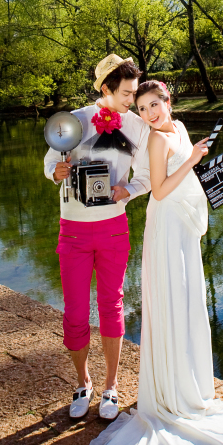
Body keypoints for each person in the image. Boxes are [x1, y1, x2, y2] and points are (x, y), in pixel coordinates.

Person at [62, 80, 223, 445]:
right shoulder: (155, 141)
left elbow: (193, 181)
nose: (148, 113)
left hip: (184, 228)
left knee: (188, 305)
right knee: (172, 302)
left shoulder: (180, 129)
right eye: (143, 107)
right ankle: (167, 395)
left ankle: (187, 388)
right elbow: (162, 190)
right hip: (165, 230)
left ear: (169, 102)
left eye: (155, 105)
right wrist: (195, 158)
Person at [43, 55, 150, 422]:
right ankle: (82, 382)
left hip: (113, 229)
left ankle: (110, 386)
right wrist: (56, 172)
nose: (130, 101)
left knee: (112, 306)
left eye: (134, 93)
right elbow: (48, 164)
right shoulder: (73, 121)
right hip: (72, 230)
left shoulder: (137, 127)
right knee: (74, 312)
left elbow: (148, 175)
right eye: (125, 93)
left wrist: (128, 190)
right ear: (106, 89)